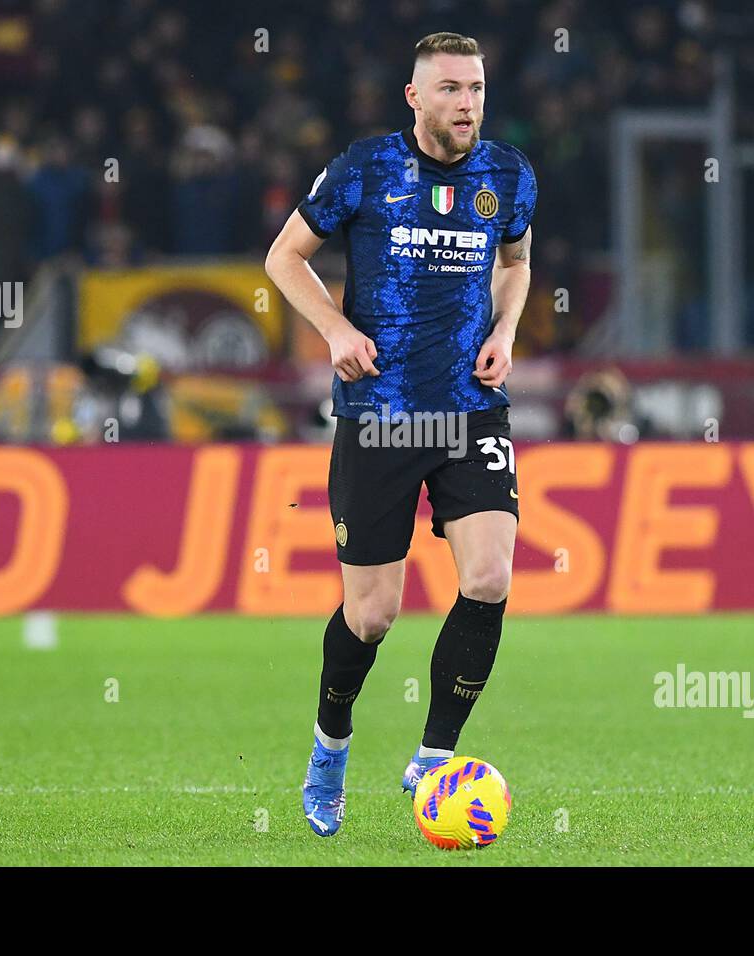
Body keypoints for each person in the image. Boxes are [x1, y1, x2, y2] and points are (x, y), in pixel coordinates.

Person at [264, 32, 536, 837]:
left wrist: (509, 329)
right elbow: (284, 258)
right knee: (372, 615)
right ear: (415, 98)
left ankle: (433, 756)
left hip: (471, 407)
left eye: (477, 89)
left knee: (488, 577)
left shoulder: (509, 174)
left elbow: (517, 261)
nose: (467, 105)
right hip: (379, 416)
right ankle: (330, 747)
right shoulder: (365, 169)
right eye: (451, 89)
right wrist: (334, 332)